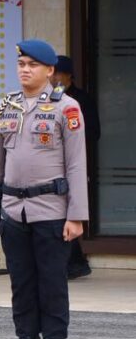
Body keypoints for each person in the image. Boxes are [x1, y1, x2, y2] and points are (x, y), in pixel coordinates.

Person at [0, 40, 88, 339]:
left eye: (33, 65)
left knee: (52, 281)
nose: (25, 70)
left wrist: (76, 216)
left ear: (50, 70)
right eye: (21, 64)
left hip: (51, 209)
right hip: (13, 210)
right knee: (21, 281)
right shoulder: (4, 108)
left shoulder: (66, 108)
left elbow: (76, 164)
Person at [53, 55, 99, 280]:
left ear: (69, 75)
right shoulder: (49, 99)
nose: (54, 78)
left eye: (58, 73)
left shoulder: (80, 100)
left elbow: (93, 133)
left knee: (68, 214)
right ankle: (74, 262)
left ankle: (76, 263)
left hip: (73, 165)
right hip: (52, 168)